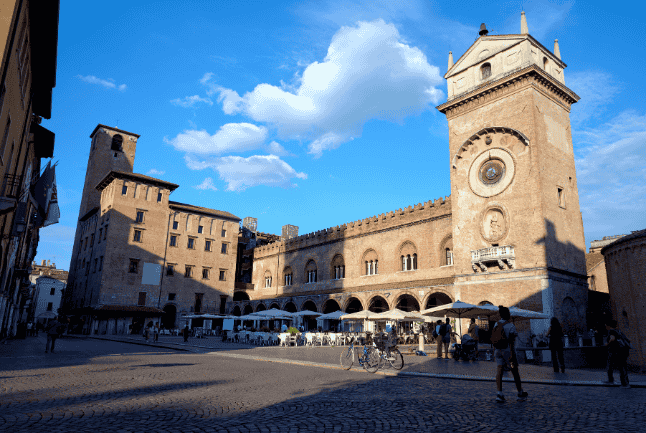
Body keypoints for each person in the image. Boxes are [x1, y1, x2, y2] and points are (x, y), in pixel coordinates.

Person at [492, 306, 528, 402]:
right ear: (508, 314)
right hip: (508, 352)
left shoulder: (496, 324)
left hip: (498, 351)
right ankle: (520, 393)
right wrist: (512, 355)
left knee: (499, 371)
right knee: (514, 371)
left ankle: (499, 393)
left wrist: (494, 351)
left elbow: (494, 339)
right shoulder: (511, 326)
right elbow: (512, 342)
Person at [604, 319, 630, 388]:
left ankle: (623, 383)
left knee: (612, 367)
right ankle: (625, 382)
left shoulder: (611, 332)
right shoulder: (618, 331)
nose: (605, 326)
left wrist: (607, 343)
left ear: (609, 326)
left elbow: (612, 339)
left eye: (606, 325)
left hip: (614, 352)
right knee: (622, 367)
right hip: (622, 352)